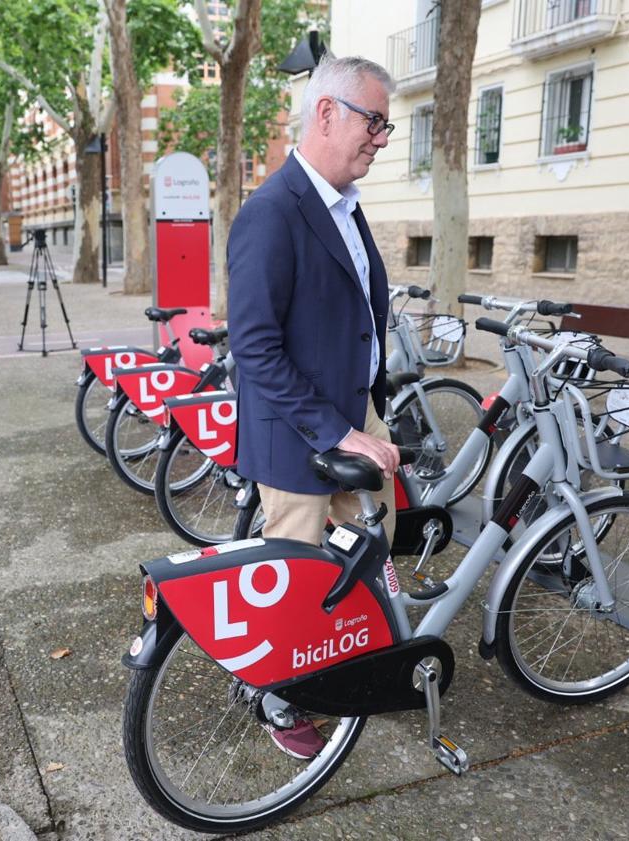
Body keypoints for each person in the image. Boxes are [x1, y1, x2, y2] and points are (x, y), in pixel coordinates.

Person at [226, 56, 401, 760]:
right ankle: (272, 693)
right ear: (326, 113)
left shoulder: (344, 205)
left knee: (363, 544)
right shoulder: (272, 212)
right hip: (299, 434)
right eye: (375, 120)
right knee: (294, 579)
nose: (382, 138)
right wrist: (339, 431)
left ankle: (347, 654)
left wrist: (366, 415)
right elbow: (256, 349)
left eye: (387, 125)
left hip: (351, 411)